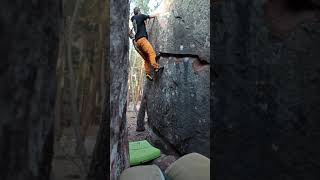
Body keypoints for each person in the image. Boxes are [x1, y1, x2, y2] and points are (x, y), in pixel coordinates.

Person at [130, 7, 162, 81]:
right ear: (139, 11)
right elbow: (150, 16)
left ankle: (148, 73)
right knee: (151, 52)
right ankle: (156, 67)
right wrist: (158, 14)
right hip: (142, 40)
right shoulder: (140, 16)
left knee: (147, 58)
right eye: (140, 11)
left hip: (137, 42)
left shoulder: (134, 20)